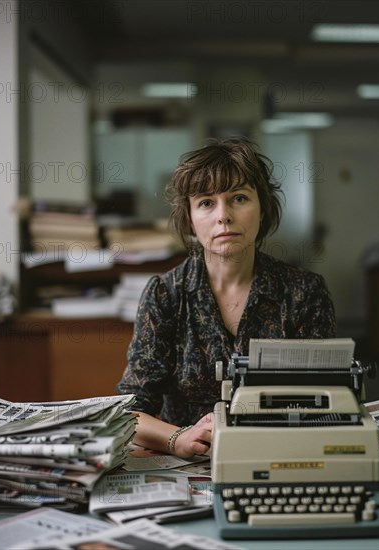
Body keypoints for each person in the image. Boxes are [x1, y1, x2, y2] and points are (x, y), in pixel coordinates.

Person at [117, 137, 336, 459]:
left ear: (263, 208)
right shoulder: (165, 294)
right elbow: (129, 412)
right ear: (190, 217)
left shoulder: (303, 293)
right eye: (206, 202)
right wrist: (178, 438)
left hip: (282, 458)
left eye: (239, 198)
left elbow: (327, 401)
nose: (224, 216)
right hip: (187, 465)